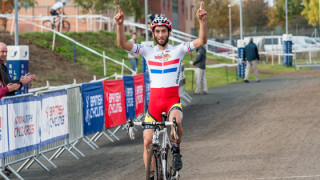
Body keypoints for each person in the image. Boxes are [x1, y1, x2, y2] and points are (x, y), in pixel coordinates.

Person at [115, 1, 207, 179]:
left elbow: (201, 41)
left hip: (172, 102)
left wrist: (202, 21)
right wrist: (119, 25)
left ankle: (176, 150)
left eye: (163, 31)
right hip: (154, 105)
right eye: (157, 31)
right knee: (147, 141)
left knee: (176, 124)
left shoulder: (178, 50)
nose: (160, 34)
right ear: (153, 33)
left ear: (169, 32)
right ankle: (150, 175)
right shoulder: (147, 51)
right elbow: (123, 44)